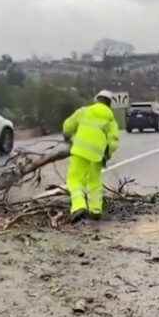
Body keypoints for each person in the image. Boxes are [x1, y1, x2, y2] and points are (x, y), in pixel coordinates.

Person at [63, 90, 120, 223]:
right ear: (109, 103)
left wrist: (67, 135)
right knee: (95, 182)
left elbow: (68, 125)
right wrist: (107, 155)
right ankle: (95, 210)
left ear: (96, 99)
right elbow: (113, 141)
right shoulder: (110, 118)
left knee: (75, 180)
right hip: (97, 155)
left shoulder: (84, 111)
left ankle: (79, 206)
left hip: (80, 151)